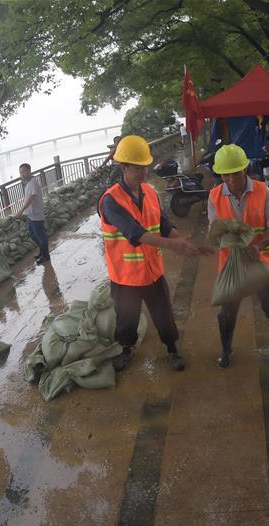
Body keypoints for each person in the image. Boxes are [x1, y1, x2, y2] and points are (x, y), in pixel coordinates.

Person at [99, 134, 211, 372]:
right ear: (123, 167)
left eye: (146, 166)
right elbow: (134, 232)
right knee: (127, 318)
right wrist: (172, 246)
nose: (144, 172)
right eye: (137, 167)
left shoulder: (149, 192)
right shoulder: (111, 201)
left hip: (152, 271)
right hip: (126, 276)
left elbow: (161, 223)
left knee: (163, 313)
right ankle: (126, 349)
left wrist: (180, 239)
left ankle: (172, 349)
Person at [208, 144, 269, 368]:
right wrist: (227, 240)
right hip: (231, 265)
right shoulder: (214, 196)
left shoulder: (262, 190)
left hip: (261, 263)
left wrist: (258, 245)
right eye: (225, 175)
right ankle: (226, 350)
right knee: (227, 314)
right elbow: (215, 232)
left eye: (235, 174)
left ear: (245, 169)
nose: (230, 180)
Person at [14, 163, 50, 265]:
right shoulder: (28, 183)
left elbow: (31, 198)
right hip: (30, 216)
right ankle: (42, 252)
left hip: (36, 216)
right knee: (33, 235)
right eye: (20, 172)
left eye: (23, 172)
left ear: (29, 171)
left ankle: (46, 256)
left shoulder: (33, 182)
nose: (22, 174)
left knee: (41, 237)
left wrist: (20, 211)